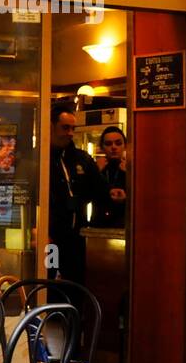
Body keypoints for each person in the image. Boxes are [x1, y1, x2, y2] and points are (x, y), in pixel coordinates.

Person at [48, 102, 108, 284]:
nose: (70, 133)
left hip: (76, 237)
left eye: (73, 128)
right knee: (48, 285)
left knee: (74, 286)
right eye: (65, 128)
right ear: (50, 127)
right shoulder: (39, 159)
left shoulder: (82, 159)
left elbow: (100, 192)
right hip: (48, 237)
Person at [92, 126, 128, 228]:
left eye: (118, 143)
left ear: (125, 146)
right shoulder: (96, 169)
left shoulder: (132, 170)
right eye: (108, 144)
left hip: (124, 226)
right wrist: (96, 173)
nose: (113, 147)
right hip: (99, 226)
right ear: (102, 147)